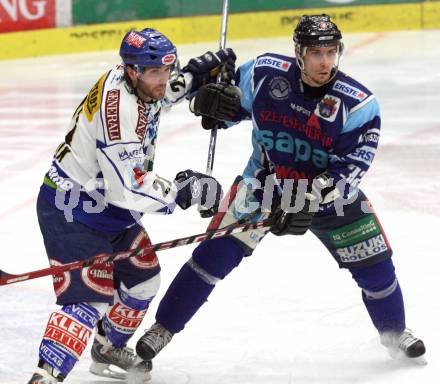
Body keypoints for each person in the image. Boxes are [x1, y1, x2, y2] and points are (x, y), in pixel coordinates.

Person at [135, 15, 427, 369]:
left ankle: (395, 332)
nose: (324, 62)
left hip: (328, 197)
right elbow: (227, 107)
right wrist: (210, 103)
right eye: (316, 52)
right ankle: (162, 328)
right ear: (298, 53)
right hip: (263, 185)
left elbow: (352, 169)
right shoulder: (263, 73)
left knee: (376, 268)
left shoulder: (359, 104)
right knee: (211, 258)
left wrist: (308, 199)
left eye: (331, 52)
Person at [27, 28, 236, 384]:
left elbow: (158, 96)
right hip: (73, 210)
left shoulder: (132, 78)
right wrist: (184, 191)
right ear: (134, 71)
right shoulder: (119, 114)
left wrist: (194, 77)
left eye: (167, 70)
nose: (163, 79)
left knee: (143, 280)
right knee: (88, 299)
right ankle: (44, 377)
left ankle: (107, 347)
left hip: (108, 212)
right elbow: (130, 189)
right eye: (156, 72)